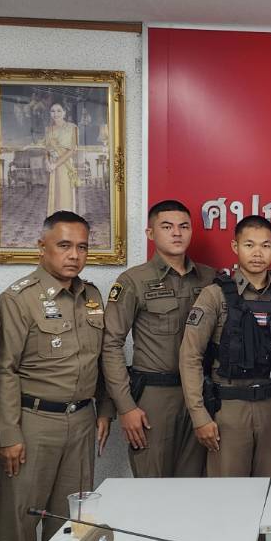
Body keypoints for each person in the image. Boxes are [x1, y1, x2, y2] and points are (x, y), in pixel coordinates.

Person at [179, 215, 271, 541]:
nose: (257, 253)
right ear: (235, 247)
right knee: (227, 501)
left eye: (265, 245)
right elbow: (190, 357)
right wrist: (200, 416)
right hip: (229, 412)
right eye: (249, 244)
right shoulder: (215, 295)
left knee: (268, 501)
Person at [0, 211, 112, 541]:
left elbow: (100, 359)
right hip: (33, 423)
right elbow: (3, 370)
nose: (74, 255)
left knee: (72, 521)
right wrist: (9, 434)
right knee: (20, 521)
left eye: (82, 247)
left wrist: (105, 409)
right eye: (64, 245)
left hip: (81, 421)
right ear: (41, 247)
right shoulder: (19, 298)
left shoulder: (91, 296)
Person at [101, 201, 216, 479]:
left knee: (193, 484)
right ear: (150, 233)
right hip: (154, 398)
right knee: (151, 486)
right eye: (167, 227)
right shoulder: (133, 281)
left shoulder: (209, 278)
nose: (177, 233)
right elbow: (111, 345)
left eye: (184, 226)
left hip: (199, 395)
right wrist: (126, 406)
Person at [44, 104, 79, 214]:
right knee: (54, 195)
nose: (56, 114)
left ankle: (66, 221)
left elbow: (72, 149)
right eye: (52, 111)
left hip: (65, 165)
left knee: (64, 194)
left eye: (59, 110)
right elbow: (46, 149)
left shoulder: (72, 127)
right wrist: (47, 161)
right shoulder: (48, 129)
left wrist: (56, 164)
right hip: (51, 167)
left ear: (64, 112)